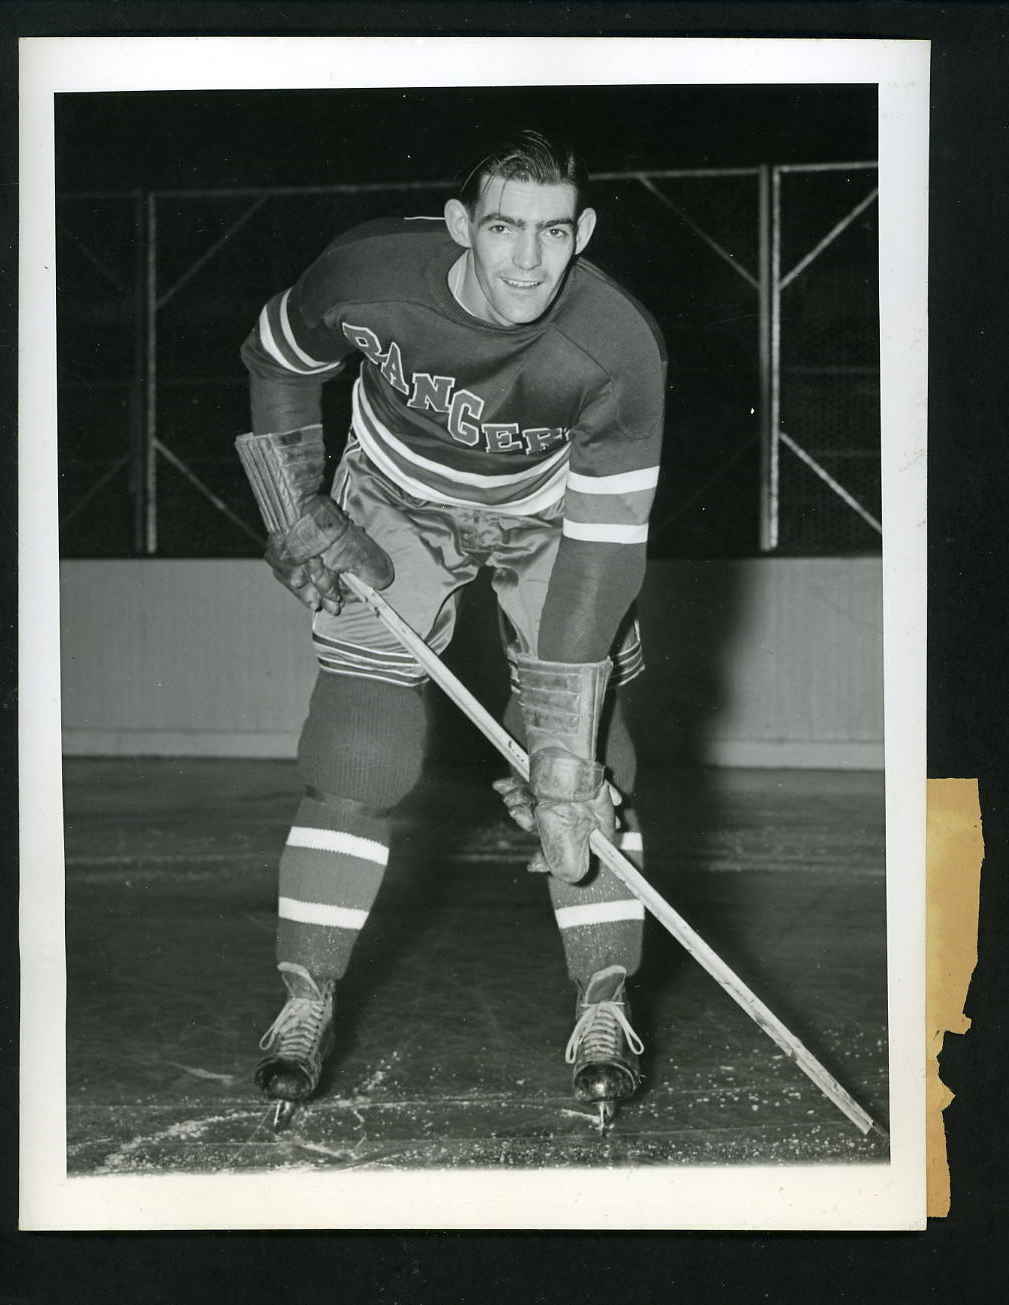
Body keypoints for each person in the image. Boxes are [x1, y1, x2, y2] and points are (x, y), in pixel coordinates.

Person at [236, 129, 667, 1128]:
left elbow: (605, 548)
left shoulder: (619, 347)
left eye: (554, 232)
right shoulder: (369, 273)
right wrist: (295, 504)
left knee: (590, 762)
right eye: (505, 229)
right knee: (358, 755)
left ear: (583, 232)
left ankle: (605, 1001)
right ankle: (307, 996)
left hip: (551, 519)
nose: (528, 260)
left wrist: (560, 739)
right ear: (462, 226)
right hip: (391, 496)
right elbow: (272, 357)